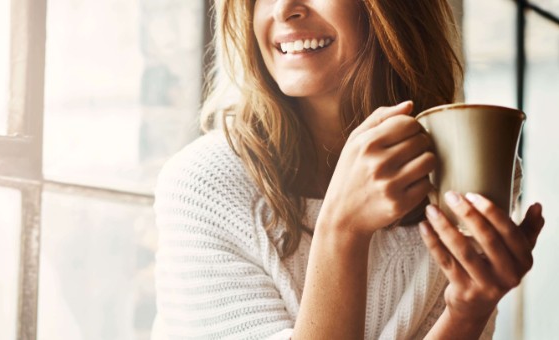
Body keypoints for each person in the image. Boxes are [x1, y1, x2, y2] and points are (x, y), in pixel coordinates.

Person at [151, 0, 546, 339]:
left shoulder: (467, 168)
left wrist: (467, 313)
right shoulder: (203, 186)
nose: (284, 10)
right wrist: (342, 229)